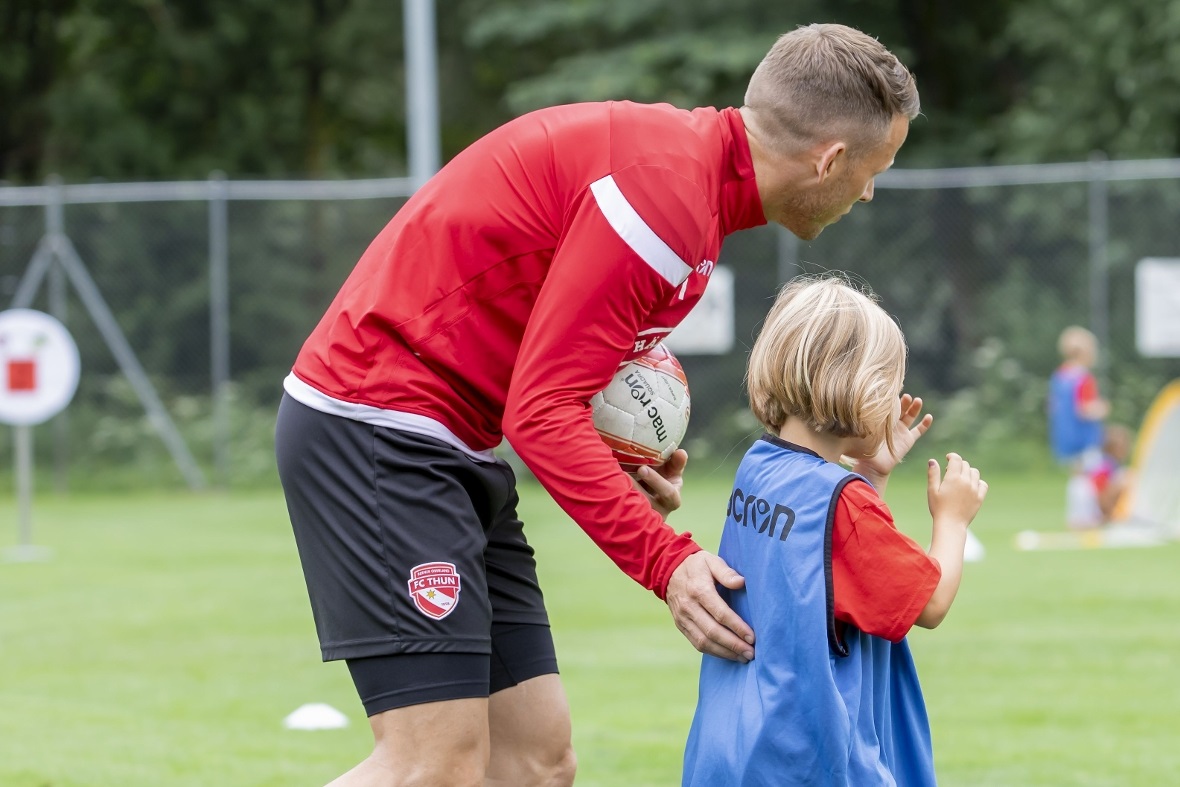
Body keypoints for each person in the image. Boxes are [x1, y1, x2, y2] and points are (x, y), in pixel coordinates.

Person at [275, 24, 920, 787]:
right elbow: (541, 413)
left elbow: (550, 376)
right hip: (379, 428)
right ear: (830, 159)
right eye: (873, 170)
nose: (868, 192)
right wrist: (666, 560)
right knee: (436, 766)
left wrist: (619, 468)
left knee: (536, 762)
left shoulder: (694, 193)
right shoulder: (664, 201)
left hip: (456, 445)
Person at [682, 276, 988, 786]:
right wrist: (952, 521)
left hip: (738, 747)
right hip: (810, 762)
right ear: (855, 385)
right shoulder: (842, 502)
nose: (895, 404)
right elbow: (929, 605)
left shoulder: (760, 468)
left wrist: (872, 475)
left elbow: (831, 577)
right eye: (889, 386)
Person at [1048, 326, 1111, 529]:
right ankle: (1085, 517)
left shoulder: (1059, 376)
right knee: (1090, 477)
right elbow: (1084, 409)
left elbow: (1052, 406)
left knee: (1076, 476)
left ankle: (1077, 517)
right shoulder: (1083, 378)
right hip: (1084, 437)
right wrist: (1102, 408)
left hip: (1065, 436)